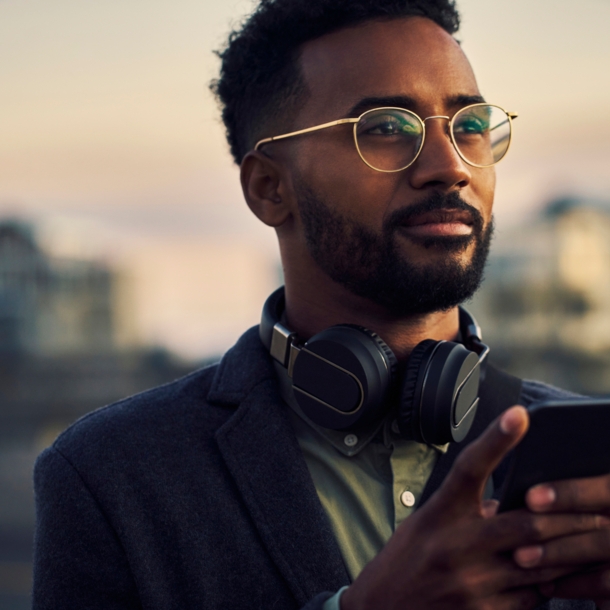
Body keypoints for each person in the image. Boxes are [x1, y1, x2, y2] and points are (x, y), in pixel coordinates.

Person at [32, 1, 610, 608]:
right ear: (269, 188)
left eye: (468, 124)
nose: (450, 168)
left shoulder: (591, 452)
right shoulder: (109, 474)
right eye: (387, 128)